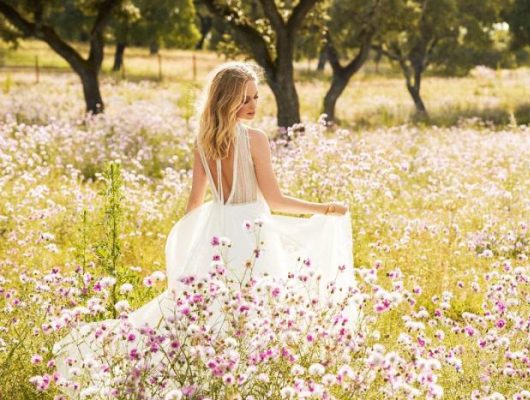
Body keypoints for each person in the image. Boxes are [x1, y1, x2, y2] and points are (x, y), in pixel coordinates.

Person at [52, 61, 356, 390]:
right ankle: (243, 381)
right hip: (253, 235)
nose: (253, 106)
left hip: (216, 233)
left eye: (255, 98)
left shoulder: (204, 141)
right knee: (256, 309)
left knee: (213, 309)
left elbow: (194, 205)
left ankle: (212, 377)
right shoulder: (255, 140)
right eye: (245, 99)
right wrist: (325, 209)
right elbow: (276, 201)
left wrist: (188, 249)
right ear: (226, 100)